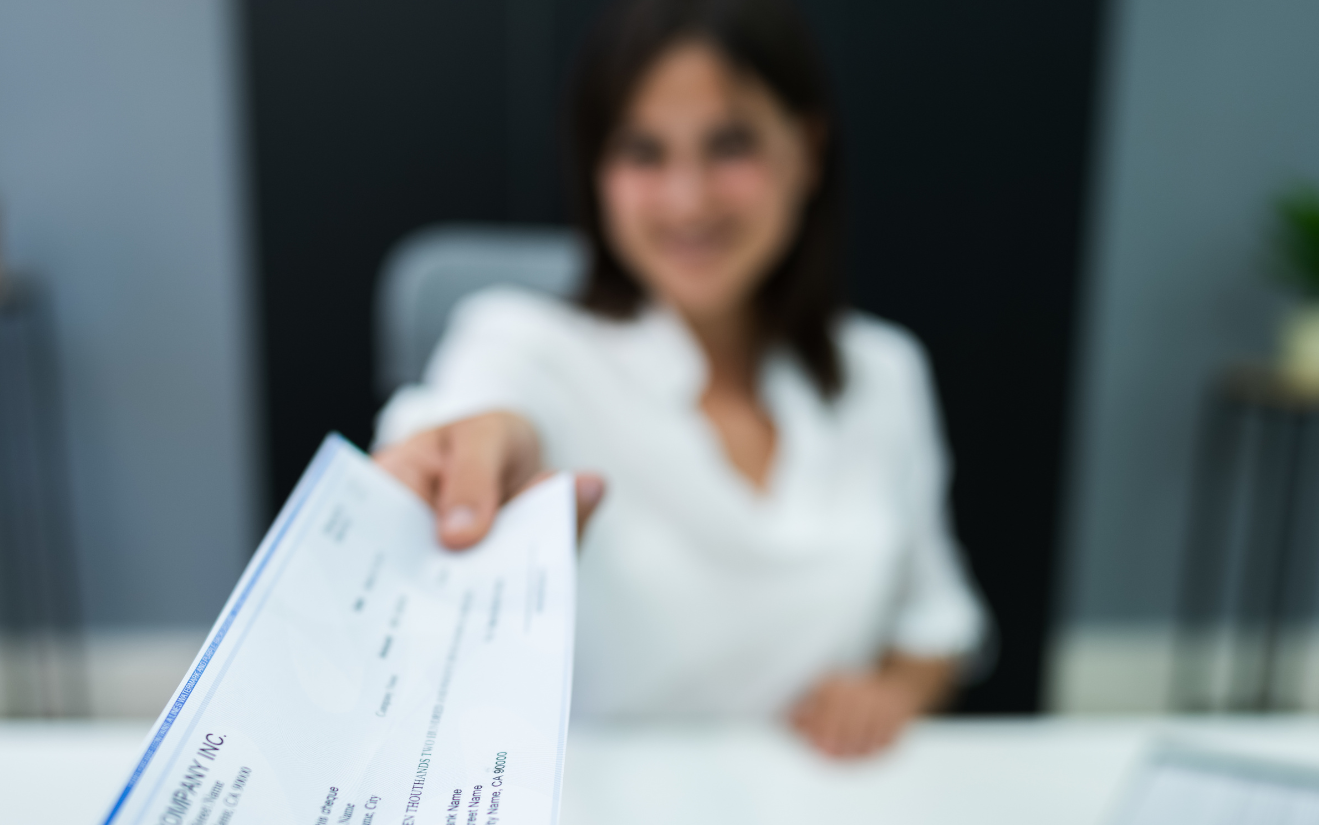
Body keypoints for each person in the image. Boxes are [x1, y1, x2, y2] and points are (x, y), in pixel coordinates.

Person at [374, 0, 986, 757]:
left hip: (827, 820)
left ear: (808, 148)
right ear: (599, 171)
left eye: (730, 145)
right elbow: (472, 416)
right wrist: (463, 459)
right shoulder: (525, 345)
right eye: (643, 152)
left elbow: (938, 620)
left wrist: (894, 693)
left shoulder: (883, 374)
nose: (687, 199)